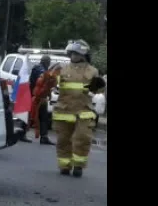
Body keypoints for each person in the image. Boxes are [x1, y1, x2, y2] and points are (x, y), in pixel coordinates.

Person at [51, 40, 106, 177]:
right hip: (64, 110)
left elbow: (98, 90)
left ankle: (78, 166)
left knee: (82, 138)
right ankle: (64, 165)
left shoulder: (92, 71)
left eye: (75, 53)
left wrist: (101, 86)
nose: (73, 56)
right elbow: (49, 83)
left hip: (83, 111)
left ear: (83, 54)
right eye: (71, 53)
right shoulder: (62, 69)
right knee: (63, 139)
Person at [29, 55, 56, 145]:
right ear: (47, 62)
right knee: (42, 117)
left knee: (33, 116)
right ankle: (44, 137)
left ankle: (22, 133)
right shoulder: (41, 70)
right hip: (39, 97)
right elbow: (42, 82)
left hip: (34, 96)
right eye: (49, 62)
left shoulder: (36, 68)